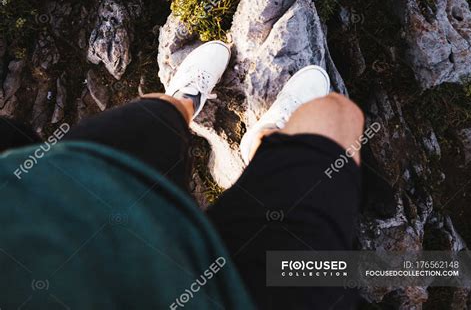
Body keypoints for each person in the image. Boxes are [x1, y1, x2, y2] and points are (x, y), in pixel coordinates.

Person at [0, 40, 364, 309]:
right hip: (243, 297)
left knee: (160, 115)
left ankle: (187, 100)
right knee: (336, 116)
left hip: (74, 187)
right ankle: (265, 142)